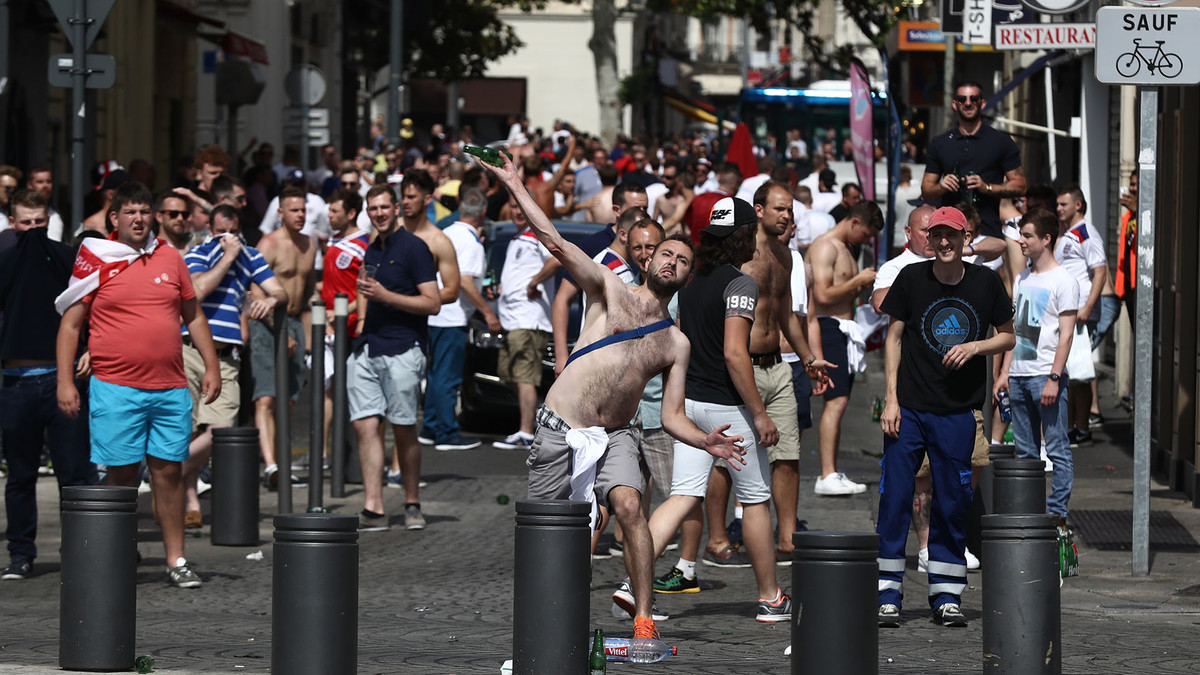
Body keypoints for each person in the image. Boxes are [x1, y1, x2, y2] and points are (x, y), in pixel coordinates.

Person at [484, 154, 744, 641]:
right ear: (649, 259)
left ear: (688, 278)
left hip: (615, 436)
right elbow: (555, 241)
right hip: (560, 427)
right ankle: (539, 628)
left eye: (683, 261)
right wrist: (517, 184)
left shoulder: (675, 342)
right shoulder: (610, 289)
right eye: (667, 254)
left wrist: (706, 441)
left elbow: (671, 415)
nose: (672, 261)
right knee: (547, 530)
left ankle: (644, 619)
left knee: (629, 506)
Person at [56, 181, 222, 589]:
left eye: (145, 211)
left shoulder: (170, 257)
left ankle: (176, 558)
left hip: (169, 387)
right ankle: (116, 556)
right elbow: (70, 324)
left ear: (155, 217)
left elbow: (193, 315)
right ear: (114, 218)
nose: (138, 218)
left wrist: (212, 366)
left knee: (169, 474)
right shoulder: (97, 257)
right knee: (122, 476)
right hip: (116, 387)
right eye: (130, 211)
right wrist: (65, 382)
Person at [644, 196, 794, 625]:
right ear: (745, 235)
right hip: (729, 410)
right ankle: (770, 597)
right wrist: (760, 413)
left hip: (690, 405)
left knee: (682, 495)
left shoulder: (691, 282)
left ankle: (633, 585)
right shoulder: (740, 283)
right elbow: (734, 353)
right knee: (756, 499)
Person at [876, 206, 1014, 628]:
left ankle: (946, 594)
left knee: (954, 503)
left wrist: (975, 347)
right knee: (896, 499)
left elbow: (1008, 334)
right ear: (928, 239)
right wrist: (890, 399)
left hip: (957, 413)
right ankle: (888, 593)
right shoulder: (912, 279)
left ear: (965, 235)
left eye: (951, 235)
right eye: (936, 235)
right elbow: (894, 337)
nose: (944, 242)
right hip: (911, 409)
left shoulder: (985, 282)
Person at [701, 183, 831, 570]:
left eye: (790, 210)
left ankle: (787, 537)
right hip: (743, 367)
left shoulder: (787, 255)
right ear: (758, 210)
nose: (787, 216)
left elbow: (786, 314)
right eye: (779, 209)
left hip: (779, 366)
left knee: (788, 454)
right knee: (727, 457)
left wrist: (809, 358)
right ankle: (717, 538)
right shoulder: (742, 257)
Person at [0, 190, 96, 580]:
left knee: (74, 474)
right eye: (26, 223)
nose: (34, 230)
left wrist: (93, 347)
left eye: (40, 222)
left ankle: (83, 550)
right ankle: (21, 554)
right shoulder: (5, 263)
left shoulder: (68, 258)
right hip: (16, 382)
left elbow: (94, 305)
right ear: (12, 224)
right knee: (20, 475)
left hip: (65, 379)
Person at [181, 205, 287, 528]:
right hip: (189, 350)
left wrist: (270, 300)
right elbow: (196, 291)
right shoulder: (197, 254)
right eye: (222, 233)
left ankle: (169, 473)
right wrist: (226, 258)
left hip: (227, 356)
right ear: (210, 230)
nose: (230, 239)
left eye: (234, 233)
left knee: (221, 429)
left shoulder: (251, 256)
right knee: (187, 429)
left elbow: (280, 291)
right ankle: (189, 501)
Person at [350, 183, 440, 531]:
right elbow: (364, 288)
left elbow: (432, 302)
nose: (379, 214)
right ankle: (373, 506)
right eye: (373, 209)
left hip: (404, 346)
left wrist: (386, 295)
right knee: (364, 424)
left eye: (384, 207)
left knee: (403, 427)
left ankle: (412, 500)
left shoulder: (415, 248)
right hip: (369, 345)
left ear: (397, 208)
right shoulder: (372, 249)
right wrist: (359, 320)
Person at [995, 208, 1078, 527]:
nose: (1021, 241)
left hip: (1046, 374)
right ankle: (1030, 512)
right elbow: (1015, 330)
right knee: (1025, 452)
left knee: (1057, 448)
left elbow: (1066, 334)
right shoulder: (1023, 277)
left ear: (1047, 238)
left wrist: (1055, 377)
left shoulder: (1064, 280)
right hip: (1019, 375)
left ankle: (1057, 514)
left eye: (1027, 235)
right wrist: (1004, 373)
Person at [807, 202, 882, 495]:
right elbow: (822, 295)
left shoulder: (847, 247)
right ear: (853, 222)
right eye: (866, 233)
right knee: (835, 402)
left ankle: (832, 470)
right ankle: (826, 474)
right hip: (828, 326)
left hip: (843, 328)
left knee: (841, 401)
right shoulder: (826, 247)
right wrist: (858, 280)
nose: (866, 240)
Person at [252, 186, 315, 487]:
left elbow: (308, 293)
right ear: (280, 213)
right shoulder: (268, 244)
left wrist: (312, 333)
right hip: (267, 323)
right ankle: (270, 464)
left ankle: (281, 461)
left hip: (294, 324)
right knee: (266, 396)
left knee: (289, 399)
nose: (300, 215)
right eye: (294, 210)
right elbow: (254, 294)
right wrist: (277, 332)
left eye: (303, 209)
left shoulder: (310, 245)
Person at [422, 188, 492, 451]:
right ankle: (446, 431)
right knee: (447, 377)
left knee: (435, 374)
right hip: (450, 317)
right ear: (482, 213)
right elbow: (464, 281)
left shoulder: (446, 233)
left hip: (435, 314)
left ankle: (430, 426)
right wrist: (488, 312)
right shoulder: (471, 242)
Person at [492, 190, 557, 451]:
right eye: (513, 207)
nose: (518, 212)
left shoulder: (539, 235)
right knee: (508, 373)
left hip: (529, 319)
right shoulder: (519, 237)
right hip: (511, 319)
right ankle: (536, 417)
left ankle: (527, 432)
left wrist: (534, 282)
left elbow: (555, 260)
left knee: (524, 375)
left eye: (522, 207)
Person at [921, 80, 1027, 239]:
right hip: (950, 234)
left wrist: (987, 187)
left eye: (974, 99)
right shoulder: (940, 143)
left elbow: (1021, 186)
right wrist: (942, 187)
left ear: (982, 103)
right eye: (962, 99)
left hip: (987, 232)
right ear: (955, 104)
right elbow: (926, 190)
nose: (968, 103)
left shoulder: (1001, 141)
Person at [1054, 185, 1105, 446]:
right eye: (1058, 204)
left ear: (1078, 205)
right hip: (1067, 312)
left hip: (1080, 315)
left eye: (1064, 204)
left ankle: (1082, 427)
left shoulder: (1086, 233)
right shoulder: (1069, 234)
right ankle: (1073, 426)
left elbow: (1100, 271)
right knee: (1070, 374)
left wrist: (1087, 307)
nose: (1059, 208)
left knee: (1080, 374)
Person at [24, 167, 65, 242]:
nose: (46, 185)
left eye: (48, 181)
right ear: (29, 185)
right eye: (40, 182)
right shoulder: (20, 212)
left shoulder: (55, 215)